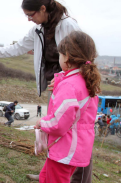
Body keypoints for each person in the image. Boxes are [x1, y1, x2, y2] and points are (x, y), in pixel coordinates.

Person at [0, 0, 80, 98]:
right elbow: (17, 48)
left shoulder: (68, 26)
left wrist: (64, 76)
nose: (29, 19)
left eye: (30, 15)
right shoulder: (37, 30)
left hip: (71, 85)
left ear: (42, 9)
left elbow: (82, 58)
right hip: (54, 85)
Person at [34, 31, 100, 183]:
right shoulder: (86, 81)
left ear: (67, 57)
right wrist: (60, 83)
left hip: (64, 149)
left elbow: (59, 123)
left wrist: (42, 123)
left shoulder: (69, 86)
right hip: (77, 148)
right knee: (45, 177)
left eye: (60, 55)